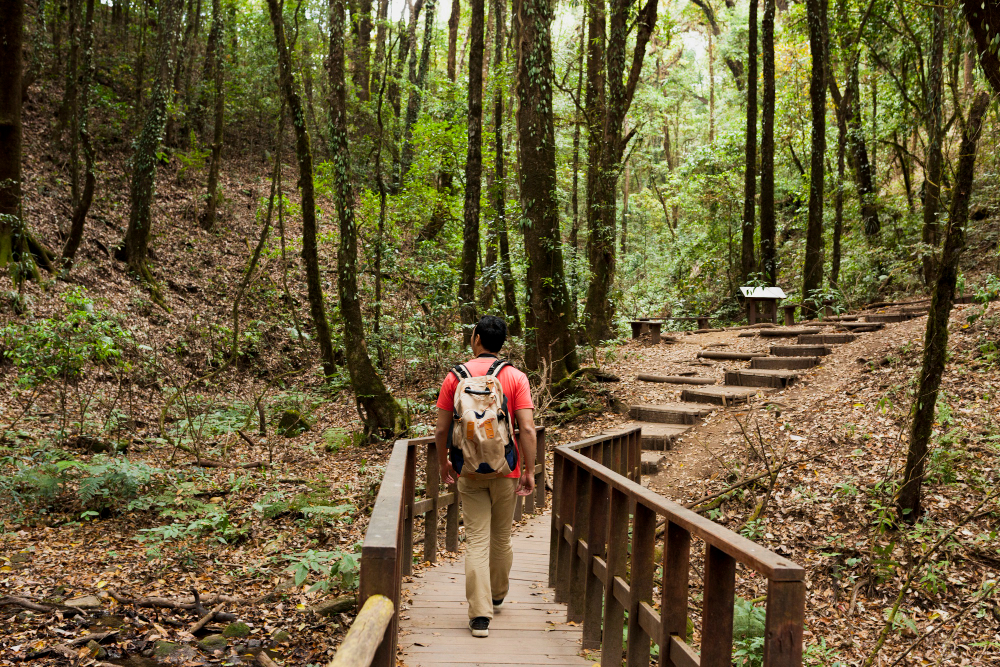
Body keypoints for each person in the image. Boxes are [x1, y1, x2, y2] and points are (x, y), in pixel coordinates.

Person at [434, 315, 537, 638]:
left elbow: (440, 428)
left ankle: (480, 616)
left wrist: (442, 463)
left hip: (467, 468)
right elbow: (528, 429)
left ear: (475, 338)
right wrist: (530, 470)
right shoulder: (516, 377)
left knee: (477, 538)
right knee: (501, 536)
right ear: (502, 342)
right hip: (507, 469)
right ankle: (496, 594)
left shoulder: (454, 377)